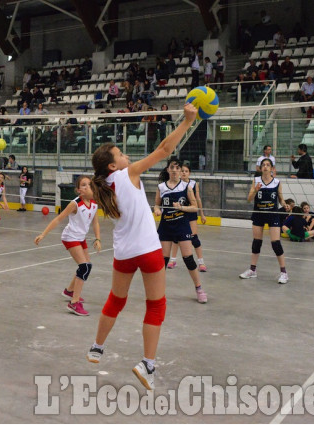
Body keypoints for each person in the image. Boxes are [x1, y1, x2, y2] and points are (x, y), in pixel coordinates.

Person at [86, 103, 197, 391]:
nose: (126, 155)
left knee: (116, 300)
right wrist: (186, 122)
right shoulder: (127, 174)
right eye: (120, 154)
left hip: (123, 253)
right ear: (113, 165)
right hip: (148, 250)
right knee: (156, 305)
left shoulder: (103, 186)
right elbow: (163, 150)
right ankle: (147, 364)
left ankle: (97, 347)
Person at [34, 176, 101, 316]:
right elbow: (59, 218)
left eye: (90, 184)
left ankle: (69, 291)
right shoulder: (75, 204)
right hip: (70, 237)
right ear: (79, 191)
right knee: (85, 267)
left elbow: (95, 222)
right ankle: (74, 303)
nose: (88, 186)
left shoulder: (94, 203)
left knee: (87, 265)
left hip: (81, 237)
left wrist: (98, 238)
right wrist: (43, 234)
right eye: (84, 185)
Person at [154, 159, 208, 303]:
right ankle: (158, 291)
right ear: (168, 170)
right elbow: (156, 205)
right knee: (163, 260)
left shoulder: (186, 187)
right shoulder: (161, 187)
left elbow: (194, 207)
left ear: (180, 171)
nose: (174, 170)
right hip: (166, 226)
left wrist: (181, 208)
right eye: (172, 167)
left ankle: (199, 288)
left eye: (177, 167)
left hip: (182, 225)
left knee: (188, 258)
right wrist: (157, 210)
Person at [239, 158, 289, 283]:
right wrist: (255, 190)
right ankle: (252, 270)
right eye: (263, 165)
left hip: (273, 214)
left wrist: (285, 204)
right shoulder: (256, 181)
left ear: (272, 168)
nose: (265, 167)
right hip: (259, 213)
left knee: (276, 243)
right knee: (256, 242)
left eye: (268, 165)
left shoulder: (277, 182)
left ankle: (284, 272)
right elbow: (249, 199)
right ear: (261, 168)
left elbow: (281, 199)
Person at [167, 163, 208, 272]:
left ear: (189, 173)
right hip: (179, 213)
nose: (184, 173)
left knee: (194, 238)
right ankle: (173, 260)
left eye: (186, 171)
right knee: (176, 238)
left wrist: (202, 214)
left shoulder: (193, 184)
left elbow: (198, 199)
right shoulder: (176, 184)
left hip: (191, 213)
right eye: (182, 171)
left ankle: (201, 262)